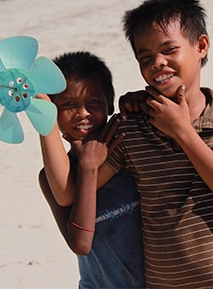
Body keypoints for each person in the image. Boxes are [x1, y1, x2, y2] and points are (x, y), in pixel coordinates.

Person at [95, 0, 213, 288]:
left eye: (169, 50)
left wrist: (182, 131)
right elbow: (79, 187)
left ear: (201, 45)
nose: (158, 63)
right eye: (146, 57)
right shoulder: (132, 126)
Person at [37, 51, 145, 289]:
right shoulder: (51, 179)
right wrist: (87, 167)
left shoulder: (128, 150)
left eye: (93, 102)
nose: (83, 113)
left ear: (109, 104)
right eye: (68, 104)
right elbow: (81, 244)